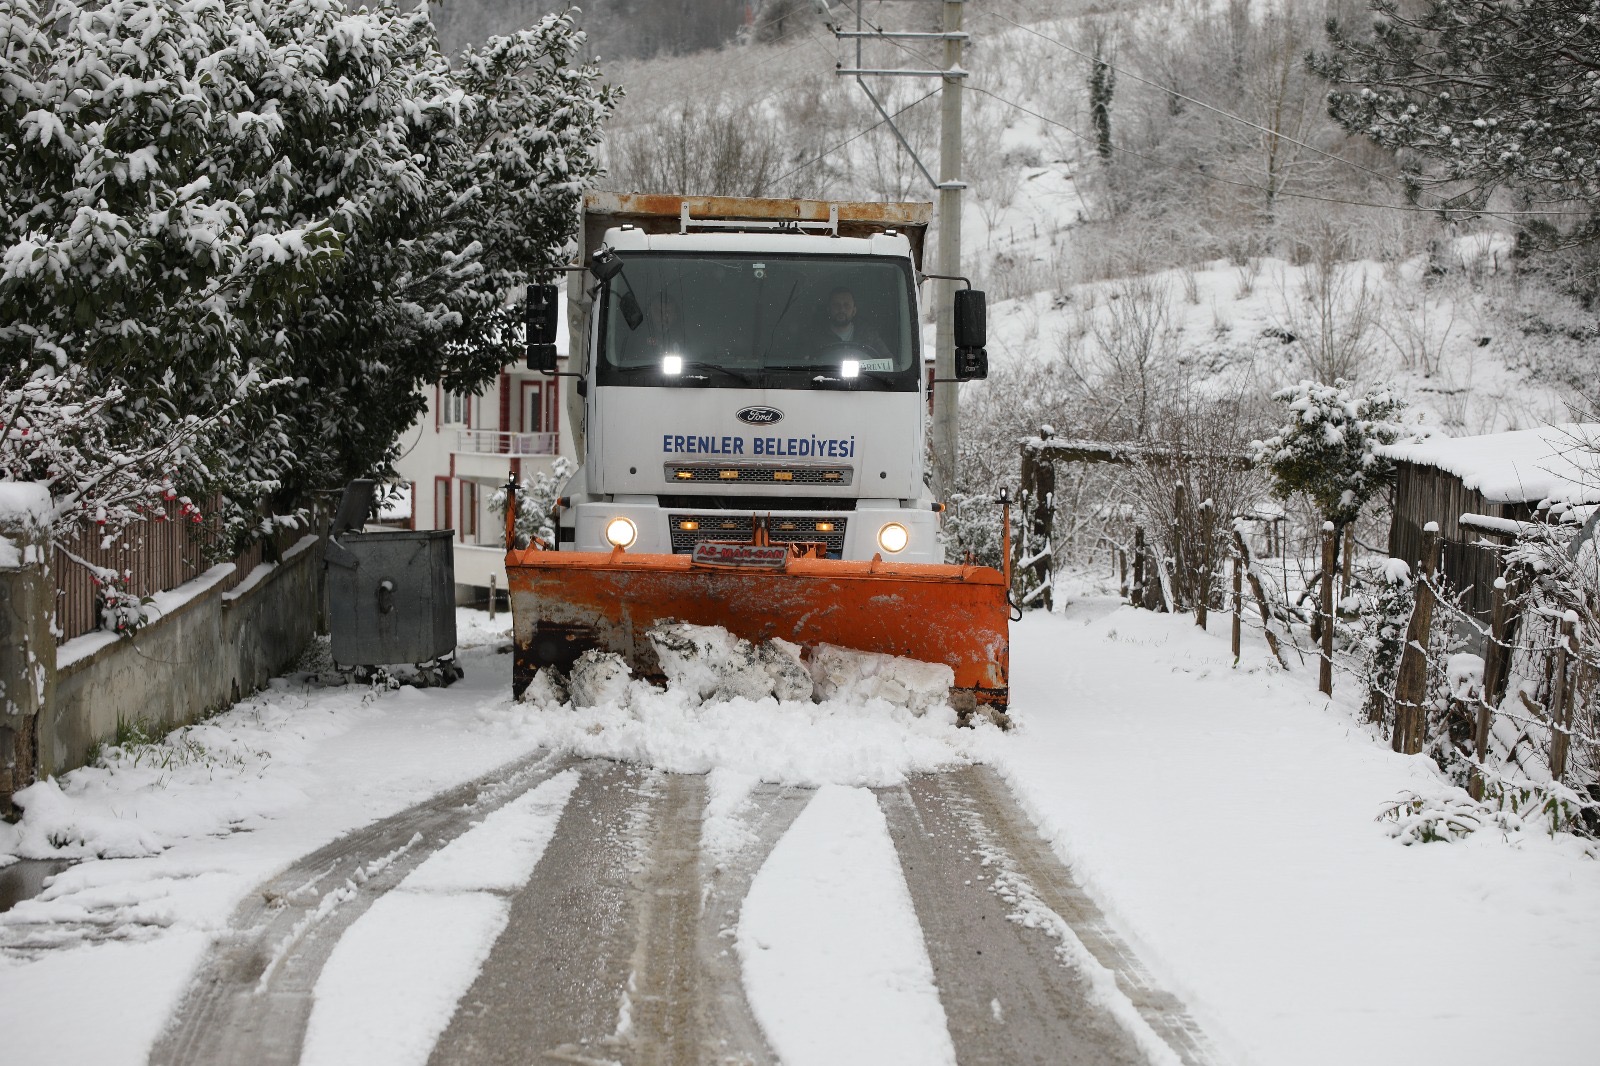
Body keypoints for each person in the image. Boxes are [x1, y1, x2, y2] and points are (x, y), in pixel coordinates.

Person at [816, 286, 892, 362]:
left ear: (854, 311)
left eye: (846, 305)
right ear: (828, 309)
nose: (841, 309)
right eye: (836, 305)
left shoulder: (869, 335)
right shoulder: (815, 337)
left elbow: (890, 363)